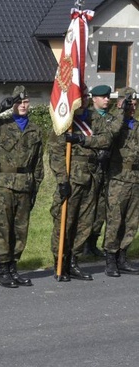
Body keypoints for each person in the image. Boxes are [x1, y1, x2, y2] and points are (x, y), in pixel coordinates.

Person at [0, 86, 43, 287]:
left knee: (20, 230)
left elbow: (38, 165)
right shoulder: (1, 126)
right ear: (13, 104)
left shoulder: (35, 130)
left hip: (25, 186)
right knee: (3, 228)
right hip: (4, 186)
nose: (22, 105)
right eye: (18, 102)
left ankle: (13, 268)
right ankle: (3, 270)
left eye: (25, 102)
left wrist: (35, 189)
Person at [48, 87, 114, 281]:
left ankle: (74, 261)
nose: (82, 100)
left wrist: (83, 139)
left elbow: (107, 139)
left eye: (85, 97)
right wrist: (62, 180)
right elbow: (55, 154)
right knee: (65, 223)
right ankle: (59, 262)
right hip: (72, 180)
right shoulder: (65, 121)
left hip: (92, 180)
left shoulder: (95, 118)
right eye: (80, 96)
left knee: (84, 224)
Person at [103, 88, 139, 277]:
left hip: (135, 179)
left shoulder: (137, 126)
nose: (132, 108)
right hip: (118, 178)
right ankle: (110, 257)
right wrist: (120, 113)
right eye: (128, 104)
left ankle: (122, 256)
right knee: (115, 219)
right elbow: (109, 136)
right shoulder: (113, 123)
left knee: (131, 221)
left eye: (134, 105)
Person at [84, 85, 119, 258]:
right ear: (94, 99)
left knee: (102, 208)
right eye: (103, 97)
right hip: (91, 168)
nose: (107, 99)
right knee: (88, 206)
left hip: (108, 168)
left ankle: (92, 242)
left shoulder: (112, 119)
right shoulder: (88, 117)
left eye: (108, 96)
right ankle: (82, 242)